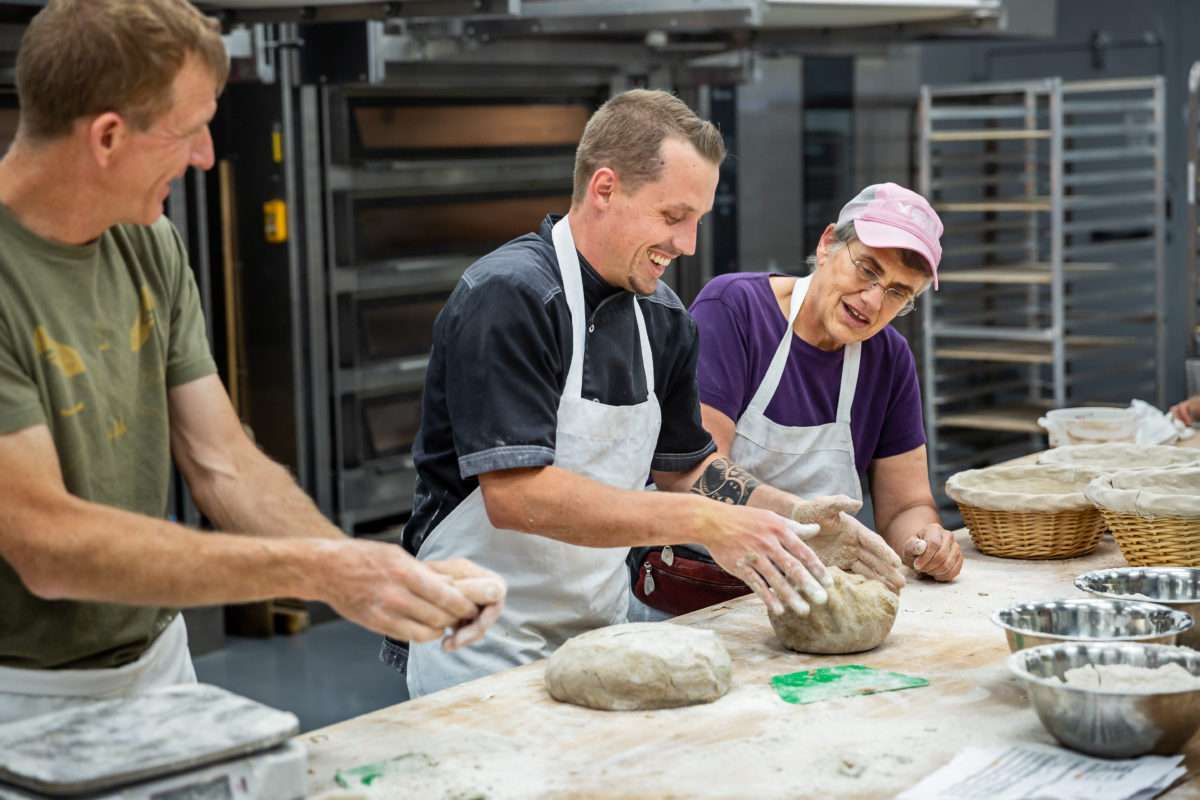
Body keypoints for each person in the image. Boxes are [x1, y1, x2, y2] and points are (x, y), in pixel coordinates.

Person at [0, 0, 505, 724]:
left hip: (159, 662)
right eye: (190, 129)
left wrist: (367, 576)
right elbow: (48, 547)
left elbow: (221, 461)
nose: (208, 155)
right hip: (22, 695)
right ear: (108, 136)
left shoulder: (147, 243)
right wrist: (323, 570)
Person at [386, 88, 905, 699]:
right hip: (477, 645)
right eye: (672, 216)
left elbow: (688, 469)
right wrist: (705, 523)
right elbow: (518, 496)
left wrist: (790, 517)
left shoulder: (663, 319)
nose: (687, 243)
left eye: (698, 221)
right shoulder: (512, 297)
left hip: (602, 638)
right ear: (605, 189)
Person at [686, 183, 963, 585]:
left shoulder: (889, 360)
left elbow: (905, 506)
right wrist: (796, 516)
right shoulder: (735, 310)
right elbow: (696, 470)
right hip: (699, 588)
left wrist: (925, 542)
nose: (871, 300)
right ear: (827, 244)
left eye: (897, 293)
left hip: (814, 595)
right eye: (867, 269)